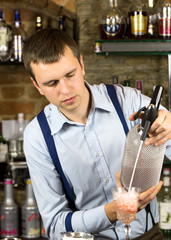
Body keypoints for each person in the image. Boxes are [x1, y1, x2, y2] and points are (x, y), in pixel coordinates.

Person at [23, 28, 171, 240]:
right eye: (52, 83)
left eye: (70, 75)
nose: (65, 90)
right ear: (37, 85)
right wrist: (114, 211)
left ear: (82, 65)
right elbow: (55, 225)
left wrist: (169, 128)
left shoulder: (126, 101)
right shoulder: (37, 137)